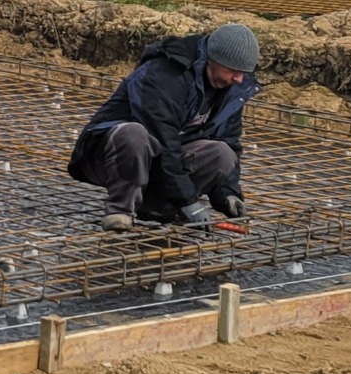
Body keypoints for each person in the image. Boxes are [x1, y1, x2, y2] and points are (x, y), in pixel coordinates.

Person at [66, 23, 260, 230]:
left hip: (162, 160)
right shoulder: (166, 73)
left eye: (243, 73)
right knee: (134, 134)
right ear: (214, 59)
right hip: (110, 156)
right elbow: (163, 139)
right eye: (233, 71)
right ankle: (120, 211)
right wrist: (189, 202)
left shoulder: (232, 88)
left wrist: (227, 193)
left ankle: (157, 208)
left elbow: (228, 140)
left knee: (223, 153)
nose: (239, 79)